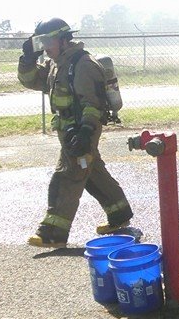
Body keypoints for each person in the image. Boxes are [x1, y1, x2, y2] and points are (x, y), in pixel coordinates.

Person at [17, 18, 133, 247]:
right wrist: (27, 59)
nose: (45, 48)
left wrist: (85, 132)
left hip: (81, 131)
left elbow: (93, 104)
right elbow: (30, 80)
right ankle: (120, 214)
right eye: (40, 43)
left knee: (67, 176)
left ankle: (52, 233)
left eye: (47, 41)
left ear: (63, 39)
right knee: (92, 171)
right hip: (69, 131)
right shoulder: (56, 64)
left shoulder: (83, 65)